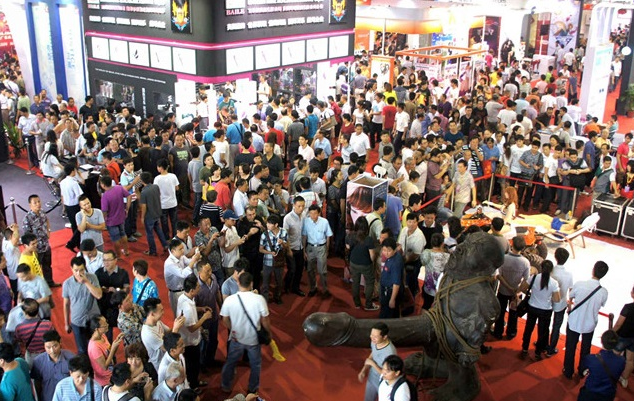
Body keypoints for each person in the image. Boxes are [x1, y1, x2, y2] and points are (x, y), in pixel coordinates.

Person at [220, 272, 270, 394]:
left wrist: (233, 329)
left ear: (238, 283)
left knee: (230, 363)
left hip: (236, 338)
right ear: (251, 284)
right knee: (255, 365)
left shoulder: (230, 300)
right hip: (253, 339)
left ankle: (226, 385)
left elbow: (225, 319)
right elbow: (265, 319)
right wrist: (268, 333)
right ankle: (252, 389)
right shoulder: (259, 299)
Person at [564, 261, 610, 379]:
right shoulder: (603, 292)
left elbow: (571, 296)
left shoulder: (579, 284)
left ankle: (568, 371)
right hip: (589, 324)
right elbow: (602, 304)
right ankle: (582, 370)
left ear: (593, 270)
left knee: (570, 347)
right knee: (586, 349)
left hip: (574, 321)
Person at [177, 274, 212, 391]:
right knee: (193, 366)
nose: (199, 288)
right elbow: (191, 328)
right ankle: (193, 386)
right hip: (190, 342)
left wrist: (201, 309)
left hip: (188, 339)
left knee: (193, 365)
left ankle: (194, 382)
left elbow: (191, 310)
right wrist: (204, 317)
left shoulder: (183, 297)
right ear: (192, 290)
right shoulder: (187, 306)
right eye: (198, 287)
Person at [520, 260, 561, 360]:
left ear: (541, 268)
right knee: (542, 332)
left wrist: (532, 294)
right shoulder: (554, 283)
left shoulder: (534, 278)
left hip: (532, 307)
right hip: (545, 310)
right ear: (551, 270)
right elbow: (557, 299)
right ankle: (538, 352)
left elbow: (523, 288)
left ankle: (524, 348)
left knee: (528, 329)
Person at [62, 256, 103, 355]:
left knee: (96, 348)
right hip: (77, 321)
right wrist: (66, 323)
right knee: (82, 350)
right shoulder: (67, 283)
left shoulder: (92, 278)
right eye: (76, 270)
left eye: (81, 270)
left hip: (93, 320)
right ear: (71, 269)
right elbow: (66, 304)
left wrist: (86, 282)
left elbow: (98, 295)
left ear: (85, 268)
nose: (78, 273)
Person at [493, 236, 530, 340]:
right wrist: (517, 291)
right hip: (516, 293)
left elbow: (498, 275)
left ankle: (498, 332)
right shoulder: (525, 262)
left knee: (500, 313)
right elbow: (526, 280)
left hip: (503, 291)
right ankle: (511, 333)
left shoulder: (504, 258)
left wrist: (508, 287)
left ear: (512, 245)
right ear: (523, 248)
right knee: (514, 314)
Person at [22, 194, 59, 287]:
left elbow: (47, 220)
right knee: (36, 269)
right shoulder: (27, 219)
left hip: (46, 245)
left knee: (47, 266)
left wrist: (48, 230)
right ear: (30, 205)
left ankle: (49, 282)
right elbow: (27, 237)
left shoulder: (42, 212)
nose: (38, 204)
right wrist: (32, 250)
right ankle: (39, 287)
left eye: (39, 201)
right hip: (36, 249)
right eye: (35, 203)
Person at [578, 330, 625, 401]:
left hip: (590, 392)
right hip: (607, 394)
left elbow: (583, 370)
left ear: (601, 341)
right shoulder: (621, 361)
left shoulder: (591, 359)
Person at [31, 330, 75, 401]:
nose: (52, 350)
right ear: (44, 346)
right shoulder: (38, 361)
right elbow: (37, 384)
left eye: (55, 346)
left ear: (60, 342)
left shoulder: (71, 358)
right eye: (48, 347)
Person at [95, 251, 130, 341]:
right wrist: (100, 289)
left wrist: (116, 291)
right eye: (104, 260)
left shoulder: (123, 273)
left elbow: (127, 290)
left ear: (115, 260)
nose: (106, 262)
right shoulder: (98, 273)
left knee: (125, 332)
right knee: (106, 332)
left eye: (109, 260)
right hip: (103, 307)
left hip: (118, 307)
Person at [358, 322, 398, 401]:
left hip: (384, 382)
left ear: (384, 337)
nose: (372, 338)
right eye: (371, 335)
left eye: (375, 336)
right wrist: (364, 370)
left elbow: (388, 374)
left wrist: (373, 364)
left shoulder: (390, 353)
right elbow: (373, 353)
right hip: (372, 377)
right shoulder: (375, 342)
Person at [302, 204, 333, 298]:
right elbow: (304, 236)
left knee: (322, 271)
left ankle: (325, 289)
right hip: (310, 248)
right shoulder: (306, 221)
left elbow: (328, 236)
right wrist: (304, 250)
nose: (313, 216)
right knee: (310, 270)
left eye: (315, 213)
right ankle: (313, 288)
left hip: (321, 248)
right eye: (311, 213)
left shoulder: (324, 222)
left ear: (319, 213)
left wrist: (327, 249)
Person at [164, 239, 202, 316]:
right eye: (180, 249)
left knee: (190, 312)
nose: (183, 251)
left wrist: (196, 258)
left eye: (183, 248)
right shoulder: (169, 263)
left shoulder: (181, 257)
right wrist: (193, 260)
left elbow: (190, 263)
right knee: (179, 315)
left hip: (184, 290)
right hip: (175, 293)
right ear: (173, 251)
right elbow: (182, 274)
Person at [346, 218, 377, 311]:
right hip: (366, 264)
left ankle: (357, 304)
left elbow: (348, 247)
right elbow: (372, 256)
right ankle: (368, 304)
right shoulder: (368, 239)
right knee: (370, 283)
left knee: (355, 283)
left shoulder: (350, 235)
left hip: (353, 262)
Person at [195, 262, 222, 367]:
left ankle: (211, 360)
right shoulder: (196, 287)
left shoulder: (213, 277)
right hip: (202, 321)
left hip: (214, 317)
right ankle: (202, 364)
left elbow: (217, 292)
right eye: (207, 271)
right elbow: (192, 307)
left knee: (213, 341)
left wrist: (221, 307)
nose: (210, 273)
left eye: (210, 270)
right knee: (203, 343)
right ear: (199, 272)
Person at [548, 248, 574, 357]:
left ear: (555, 257)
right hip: (561, 303)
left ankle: (542, 343)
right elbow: (571, 291)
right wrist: (570, 305)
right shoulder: (569, 274)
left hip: (548, 302)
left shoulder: (550, 271)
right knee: (556, 326)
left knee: (545, 324)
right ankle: (551, 348)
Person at [87, 315, 124, 386]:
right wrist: (113, 349)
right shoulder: (94, 347)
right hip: (105, 381)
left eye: (106, 322)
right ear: (96, 329)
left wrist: (116, 342)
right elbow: (104, 367)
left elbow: (109, 352)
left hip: (112, 372)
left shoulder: (103, 336)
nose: (107, 325)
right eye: (104, 325)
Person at [99, 175, 131, 257]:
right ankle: (126, 251)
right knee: (123, 234)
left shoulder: (105, 196)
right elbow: (129, 196)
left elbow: (104, 211)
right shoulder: (119, 188)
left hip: (111, 221)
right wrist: (127, 208)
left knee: (115, 238)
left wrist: (103, 221)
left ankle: (118, 255)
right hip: (121, 217)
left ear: (103, 185)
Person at [140, 172, 169, 256]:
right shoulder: (156, 187)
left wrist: (142, 217)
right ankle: (165, 245)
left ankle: (152, 250)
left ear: (142, 181)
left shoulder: (144, 192)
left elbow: (144, 206)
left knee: (149, 233)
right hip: (157, 212)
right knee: (158, 229)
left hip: (149, 216)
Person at [419, 233, 449, 310]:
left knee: (426, 305)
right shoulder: (447, 256)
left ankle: (424, 317)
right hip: (441, 289)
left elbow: (423, 263)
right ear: (442, 243)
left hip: (428, 286)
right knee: (440, 308)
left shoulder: (426, 253)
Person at [612, 285, 634, 388]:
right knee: (630, 360)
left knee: (614, 356)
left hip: (623, 336)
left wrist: (611, 332)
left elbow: (618, 324)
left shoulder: (628, 307)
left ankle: (611, 375)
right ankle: (624, 379)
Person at [60, 164, 84, 252]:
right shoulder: (74, 183)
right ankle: (72, 243)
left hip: (67, 206)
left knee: (74, 225)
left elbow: (62, 195)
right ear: (72, 171)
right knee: (79, 225)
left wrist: (64, 207)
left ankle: (77, 243)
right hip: (75, 206)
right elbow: (79, 196)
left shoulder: (62, 182)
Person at [379, 237, 403, 319]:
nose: (386, 253)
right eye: (384, 250)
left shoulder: (395, 263)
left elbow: (396, 283)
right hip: (386, 290)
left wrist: (392, 299)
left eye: (389, 250)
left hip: (390, 292)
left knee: (388, 316)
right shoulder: (392, 257)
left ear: (394, 250)